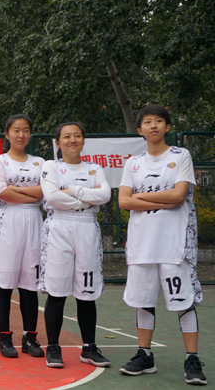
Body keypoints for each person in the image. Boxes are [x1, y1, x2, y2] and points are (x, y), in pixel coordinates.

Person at [117, 105, 206, 385]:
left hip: (174, 243)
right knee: (143, 300)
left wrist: (140, 198)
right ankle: (145, 355)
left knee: (183, 301)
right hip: (142, 243)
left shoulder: (180, 155)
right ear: (139, 130)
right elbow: (123, 201)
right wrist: (159, 200)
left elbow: (179, 196)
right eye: (147, 122)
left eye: (158, 121)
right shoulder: (133, 163)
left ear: (167, 127)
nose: (153, 125)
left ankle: (192, 359)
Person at [39, 121, 111, 369]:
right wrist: (86, 201)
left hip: (87, 228)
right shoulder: (51, 166)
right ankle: (53, 347)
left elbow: (105, 195)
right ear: (57, 142)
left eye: (77, 136)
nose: (72, 140)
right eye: (67, 136)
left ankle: (89, 348)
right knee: (57, 292)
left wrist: (72, 190)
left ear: (83, 140)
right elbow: (52, 196)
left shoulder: (94, 168)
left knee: (86, 293)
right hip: (59, 228)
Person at [0, 115, 45, 358]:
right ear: (7, 134)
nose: (21, 135)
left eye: (26, 130)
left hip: (34, 221)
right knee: (4, 282)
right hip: (7, 221)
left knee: (30, 284)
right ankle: (4, 338)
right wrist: (32, 193)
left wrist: (16, 190)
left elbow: (47, 191)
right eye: (16, 130)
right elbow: (1, 191)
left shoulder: (40, 162)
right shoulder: (0, 161)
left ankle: (30, 337)